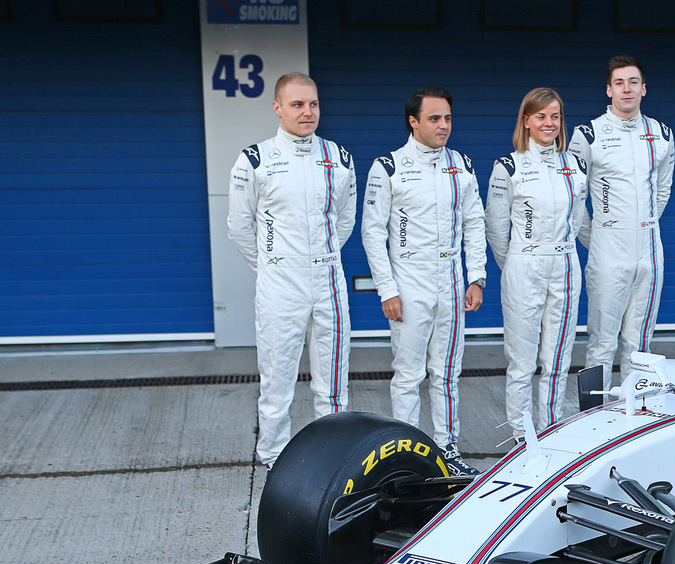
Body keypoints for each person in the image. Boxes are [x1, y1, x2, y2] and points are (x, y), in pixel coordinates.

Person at [227, 72, 357, 468]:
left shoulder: (339, 156)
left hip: (329, 280)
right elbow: (239, 226)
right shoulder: (256, 158)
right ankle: (273, 460)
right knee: (278, 381)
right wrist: (272, 264)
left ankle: (330, 460)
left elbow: (344, 220)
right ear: (277, 108)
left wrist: (321, 256)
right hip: (280, 283)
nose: (307, 112)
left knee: (334, 384)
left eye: (313, 103)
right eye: (298, 104)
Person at [362, 86, 486, 476]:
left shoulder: (461, 165)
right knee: (409, 373)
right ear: (413, 121)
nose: (443, 125)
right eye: (434, 118)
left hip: (451, 279)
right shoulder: (389, 167)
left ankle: (447, 447)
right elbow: (372, 232)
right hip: (409, 280)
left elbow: (475, 223)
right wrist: (388, 289)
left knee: (447, 372)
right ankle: (407, 453)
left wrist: (476, 277)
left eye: (447, 118)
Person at [485, 88, 588, 441]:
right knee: (522, 363)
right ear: (526, 121)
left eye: (555, 116)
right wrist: (518, 262)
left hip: (565, 263)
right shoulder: (508, 166)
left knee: (558, 361)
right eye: (541, 116)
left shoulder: (574, 165)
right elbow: (497, 230)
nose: (549, 123)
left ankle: (550, 429)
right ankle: (520, 436)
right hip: (524, 265)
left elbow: (576, 219)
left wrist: (559, 251)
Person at [568, 55, 675, 380]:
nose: (626, 89)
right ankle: (595, 419)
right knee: (602, 342)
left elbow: (663, 189)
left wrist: (643, 225)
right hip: (607, 251)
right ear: (608, 90)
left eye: (632, 82)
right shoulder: (588, 134)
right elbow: (573, 198)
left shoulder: (662, 134)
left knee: (640, 343)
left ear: (643, 88)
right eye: (619, 83)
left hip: (649, 250)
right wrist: (600, 234)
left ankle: (637, 415)